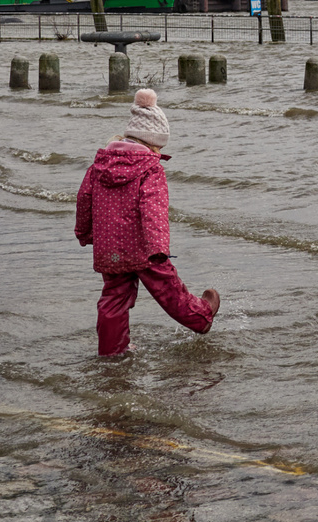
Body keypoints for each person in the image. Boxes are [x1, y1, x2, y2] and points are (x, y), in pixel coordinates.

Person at [75, 89, 219, 355]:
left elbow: (84, 200)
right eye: (159, 146)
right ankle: (201, 317)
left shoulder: (99, 165)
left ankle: (113, 350)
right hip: (145, 247)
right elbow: (153, 209)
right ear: (152, 142)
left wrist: (84, 234)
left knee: (113, 299)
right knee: (169, 290)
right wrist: (158, 248)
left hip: (111, 248)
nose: (159, 151)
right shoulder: (150, 168)